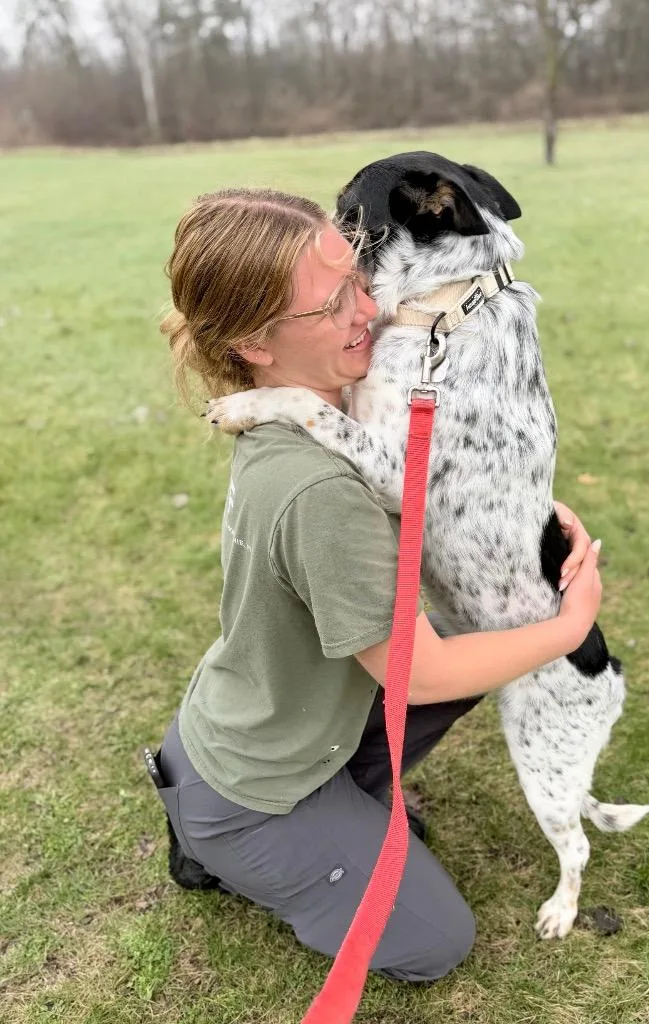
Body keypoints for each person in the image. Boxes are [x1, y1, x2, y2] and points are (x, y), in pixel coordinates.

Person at [151, 186, 603, 982]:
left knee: (489, 639)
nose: (372, 306)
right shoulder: (321, 487)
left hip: (258, 708)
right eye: (334, 305)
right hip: (259, 786)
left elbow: (423, 484)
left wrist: (522, 505)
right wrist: (570, 627)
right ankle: (212, 842)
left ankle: (328, 808)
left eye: (360, 277)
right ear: (256, 343)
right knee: (434, 942)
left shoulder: (293, 412)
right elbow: (417, 672)